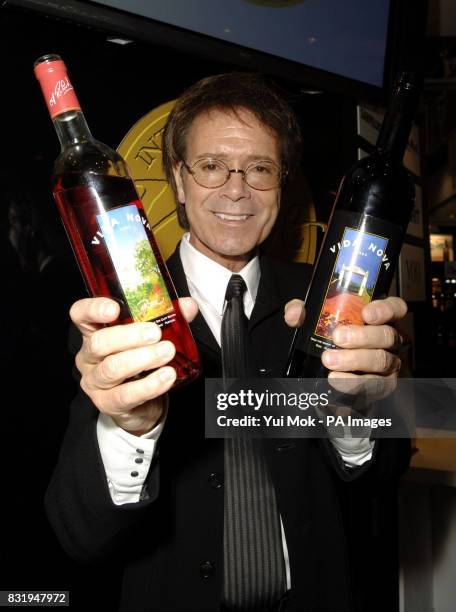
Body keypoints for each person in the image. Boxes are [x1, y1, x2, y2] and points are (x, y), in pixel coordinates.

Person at [45, 73, 410, 612]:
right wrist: (127, 426)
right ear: (178, 178)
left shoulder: (329, 302)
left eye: (259, 169)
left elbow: (382, 473)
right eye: (212, 166)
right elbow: (79, 533)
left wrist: (357, 408)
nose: (236, 189)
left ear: (282, 184)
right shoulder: (115, 321)